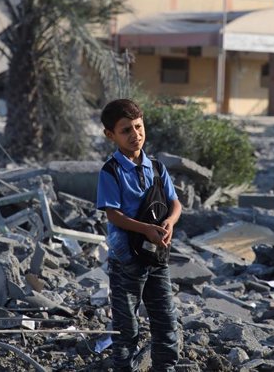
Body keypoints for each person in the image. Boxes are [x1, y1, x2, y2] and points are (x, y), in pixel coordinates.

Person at [96, 98, 182, 371]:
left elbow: (175, 203)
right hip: (126, 261)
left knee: (166, 322)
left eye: (138, 126)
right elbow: (113, 214)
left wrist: (169, 222)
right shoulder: (111, 171)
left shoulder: (157, 167)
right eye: (126, 130)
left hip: (157, 258)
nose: (136, 135)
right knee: (127, 328)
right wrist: (145, 229)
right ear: (110, 135)